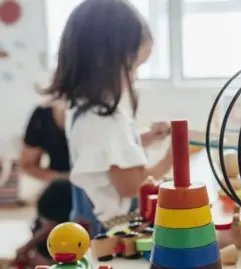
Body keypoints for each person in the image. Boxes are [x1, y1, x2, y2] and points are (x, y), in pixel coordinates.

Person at [45, 0, 173, 228]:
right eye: (133, 67)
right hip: (115, 230)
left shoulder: (83, 107)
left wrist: (147, 138)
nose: (134, 76)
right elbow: (131, 186)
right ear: (106, 62)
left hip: (91, 219)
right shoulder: (105, 118)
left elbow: (107, 156)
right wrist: (170, 159)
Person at [13, 99, 72, 267]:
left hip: (72, 195)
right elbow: (27, 164)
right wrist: (66, 178)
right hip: (59, 194)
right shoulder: (43, 115)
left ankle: (31, 254)